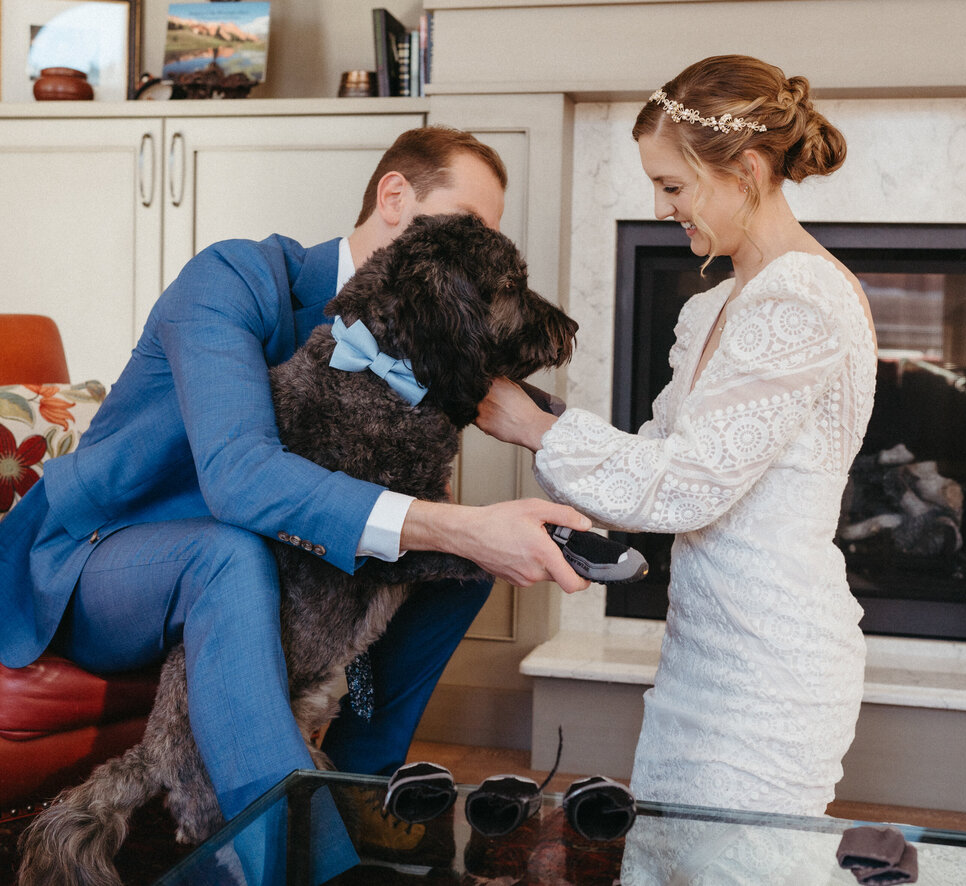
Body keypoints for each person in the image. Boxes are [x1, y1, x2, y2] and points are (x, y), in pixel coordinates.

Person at [0, 125, 591, 836]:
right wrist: (454, 522)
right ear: (395, 196)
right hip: (98, 561)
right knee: (229, 552)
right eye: (465, 225)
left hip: (256, 574)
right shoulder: (234, 276)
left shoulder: (422, 330)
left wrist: (534, 463)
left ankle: (357, 784)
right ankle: (293, 847)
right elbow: (239, 479)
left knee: (468, 562)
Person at [477, 55, 878, 820]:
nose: (662, 209)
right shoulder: (714, 307)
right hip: (701, 651)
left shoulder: (803, 297)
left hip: (772, 664)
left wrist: (533, 428)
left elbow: (689, 487)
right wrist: (544, 421)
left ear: (748, 170)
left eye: (672, 186)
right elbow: (652, 471)